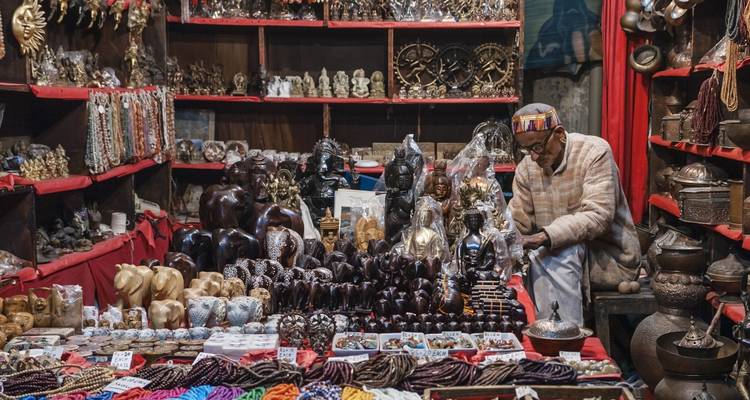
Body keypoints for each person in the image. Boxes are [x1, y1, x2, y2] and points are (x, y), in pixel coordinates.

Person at [508, 103, 640, 325]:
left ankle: (564, 336)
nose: (533, 156)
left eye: (538, 147)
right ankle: (540, 329)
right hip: (556, 256)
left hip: (607, 259)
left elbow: (598, 216)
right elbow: (518, 221)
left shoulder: (594, 152)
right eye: (526, 149)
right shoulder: (527, 168)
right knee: (532, 258)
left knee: (558, 253)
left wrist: (544, 237)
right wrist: (502, 237)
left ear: (559, 134)